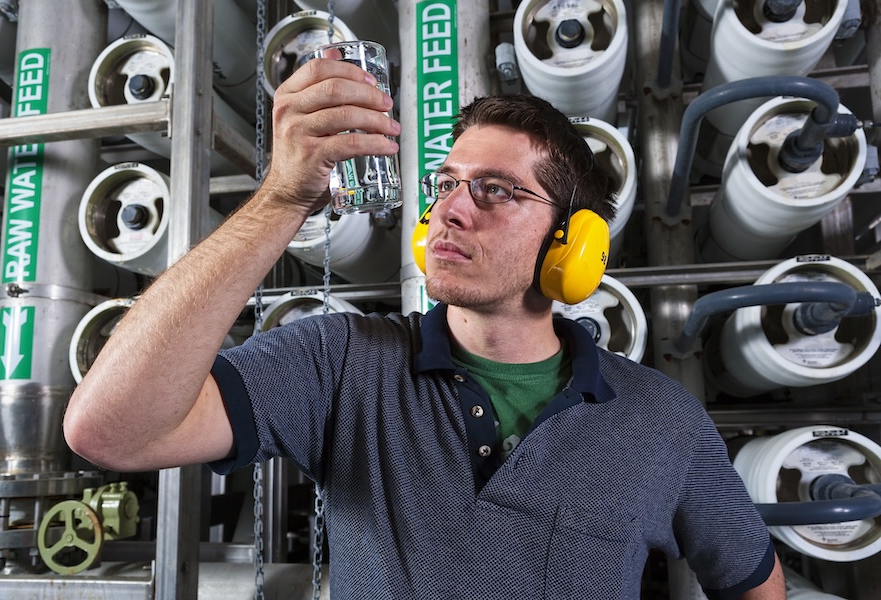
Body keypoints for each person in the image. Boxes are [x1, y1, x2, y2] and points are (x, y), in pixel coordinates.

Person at [64, 56, 786, 599]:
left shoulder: (662, 422)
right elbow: (110, 429)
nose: (450, 210)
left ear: (574, 247)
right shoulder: (341, 364)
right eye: (445, 186)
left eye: (496, 191)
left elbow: (756, 580)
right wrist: (283, 198)